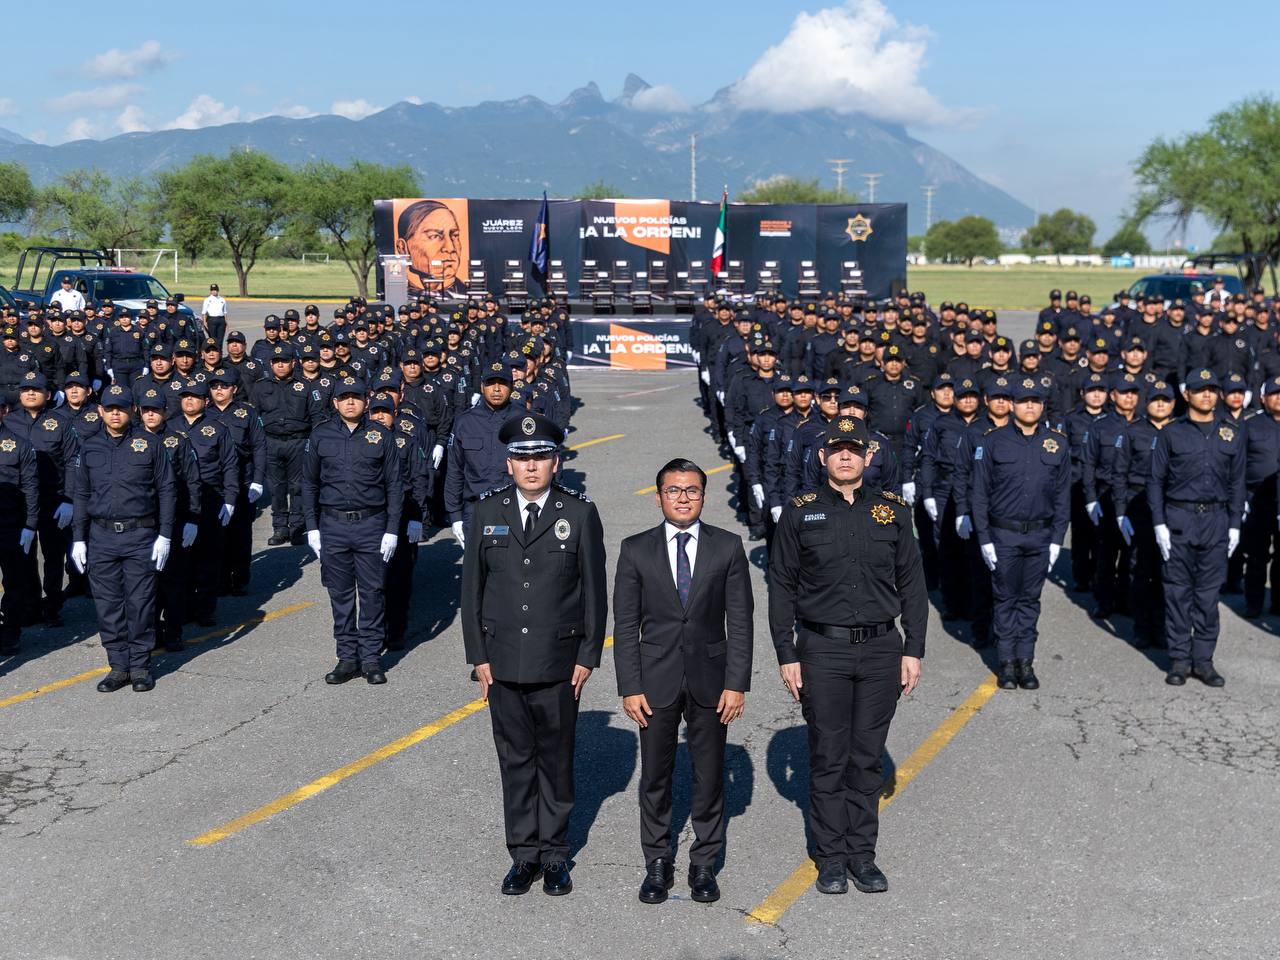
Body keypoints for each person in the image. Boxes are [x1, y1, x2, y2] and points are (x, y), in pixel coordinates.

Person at [768, 416, 926, 896]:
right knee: (829, 757)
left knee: (866, 758)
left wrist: (913, 649)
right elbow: (782, 585)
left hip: (881, 650)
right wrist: (786, 652)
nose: (844, 456)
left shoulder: (893, 512)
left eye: (853, 449)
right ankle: (831, 857)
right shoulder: (800, 512)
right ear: (822, 456)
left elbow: (912, 584)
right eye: (837, 448)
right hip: (822, 650)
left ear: (868, 456)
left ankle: (862, 855)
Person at [461, 412, 607, 898]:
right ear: (508, 464)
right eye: (522, 459)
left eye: (540, 457)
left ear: (556, 463)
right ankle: (523, 855)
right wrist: (478, 656)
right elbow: (472, 591)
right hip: (501, 661)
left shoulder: (579, 514)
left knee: (556, 760)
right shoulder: (487, 511)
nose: (531, 466)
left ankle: (555, 853)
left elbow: (594, 592)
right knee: (515, 760)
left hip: (558, 661)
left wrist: (587, 656)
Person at [612, 458, 753, 906]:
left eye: (692, 490)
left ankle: (704, 862)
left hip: (713, 680)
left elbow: (741, 621)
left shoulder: (727, 547)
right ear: (659, 498)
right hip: (654, 681)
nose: (683, 498)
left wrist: (736, 683)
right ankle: (657, 860)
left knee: (708, 776)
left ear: (703, 496)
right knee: (655, 776)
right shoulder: (635, 549)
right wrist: (630, 686)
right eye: (673, 490)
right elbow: (626, 625)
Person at [69, 383, 177, 693]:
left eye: (121, 408)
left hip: (140, 535)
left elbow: (167, 489)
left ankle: (140, 666)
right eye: (109, 408)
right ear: (100, 410)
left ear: (133, 410)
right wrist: (78, 538)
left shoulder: (150, 444)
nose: (115, 413)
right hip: (101, 536)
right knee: (108, 605)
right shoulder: (89, 446)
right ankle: (118, 666)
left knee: (140, 603)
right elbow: (81, 493)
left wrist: (165, 535)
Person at [301, 377, 403, 685]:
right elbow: (309, 483)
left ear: (366, 401)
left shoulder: (381, 435)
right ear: (334, 402)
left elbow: (394, 485)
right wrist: (311, 527)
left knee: (372, 593)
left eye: (355, 397)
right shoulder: (320, 435)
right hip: (333, 525)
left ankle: (370, 658)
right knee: (340, 594)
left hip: (371, 524)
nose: (350, 402)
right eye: (344, 397)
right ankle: (347, 657)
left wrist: (392, 529)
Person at [970, 379, 1070, 691]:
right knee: (1005, 599)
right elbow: (980, 494)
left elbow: (1063, 496)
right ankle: (1006, 663)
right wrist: (984, 539)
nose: (1030, 406)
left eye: (1035, 401)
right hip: (1004, 535)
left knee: (1029, 601)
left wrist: (1057, 540)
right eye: (1024, 401)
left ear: (1042, 406)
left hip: (1040, 536)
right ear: (1012, 405)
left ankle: (1025, 662)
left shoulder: (1057, 444)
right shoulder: (993, 441)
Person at [1148, 368, 1245, 687]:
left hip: (1216, 521)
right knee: (1178, 592)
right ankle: (1179, 659)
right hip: (1179, 520)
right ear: (1186, 394)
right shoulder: (1171, 433)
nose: (1207, 395)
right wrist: (1159, 523)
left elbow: (1237, 482)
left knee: (1207, 595)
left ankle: (1203, 661)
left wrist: (1235, 525)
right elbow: (1156, 481)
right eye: (1200, 389)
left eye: (1212, 389)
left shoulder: (1232, 432)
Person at [444, 361, 515, 543]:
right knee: (478, 560)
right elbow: (455, 471)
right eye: (491, 383)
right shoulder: (465, 422)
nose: (497, 389)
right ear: (482, 387)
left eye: (503, 383)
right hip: (476, 510)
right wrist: (455, 515)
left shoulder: (524, 421)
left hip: (516, 509)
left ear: (512, 386)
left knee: (512, 560)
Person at [256, 343, 319, 546]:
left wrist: (313, 445)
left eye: (284, 361)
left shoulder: (306, 386)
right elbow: (254, 417)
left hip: (298, 442)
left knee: (298, 486)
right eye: (276, 362)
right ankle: (280, 528)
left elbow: (316, 416)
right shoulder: (260, 386)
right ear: (270, 364)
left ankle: (297, 528)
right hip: (271, 442)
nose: (280, 365)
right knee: (276, 488)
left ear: (293, 362)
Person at [0, 394, 38, 656]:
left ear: (4, 411)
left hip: (10, 526)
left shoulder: (19, 445)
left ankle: (10, 633)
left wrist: (30, 524)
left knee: (14, 583)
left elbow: (31, 487)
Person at [394, 200, 466, 296]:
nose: (450, 248)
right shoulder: (396, 292)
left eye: (455, 235)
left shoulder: (465, 292)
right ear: (403, 248)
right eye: (434, 236)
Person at [201, 284, 228, 350]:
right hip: (211, 319)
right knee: (213, 339)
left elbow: (225, 312)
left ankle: (220, 352)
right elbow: (204, 312)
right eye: (212, 290)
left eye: (215, 290)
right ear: (210, 291)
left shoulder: (222, 299)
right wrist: (204, 322)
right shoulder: (207, 300)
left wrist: (226, 322)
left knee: (220, 339)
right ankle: (214, 351)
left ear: (218, 290)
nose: (214, 291)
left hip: (221, 320)